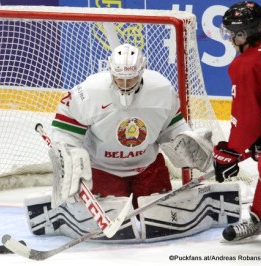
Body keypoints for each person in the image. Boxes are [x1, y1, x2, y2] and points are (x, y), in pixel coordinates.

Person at [24, 43, 240, 242]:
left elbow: (171, 128)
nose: (125, 85)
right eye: (119, 79)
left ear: (142, 71)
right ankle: (64, 212)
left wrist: (185, 139)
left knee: (158, 215)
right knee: (119, 222)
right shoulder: (88, 92)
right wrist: (70, 155)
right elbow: (65, 131)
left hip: (147, 167)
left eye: (131, 79)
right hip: (103, 169)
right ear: (110, 71)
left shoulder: (162, 90)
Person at [213, 1, 261, 241]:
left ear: (243, 34)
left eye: (232, 33)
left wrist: (231, 151)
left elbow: (246, 117)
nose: (229, 38)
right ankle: (259, 218)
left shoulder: (246, 64)